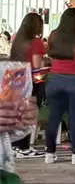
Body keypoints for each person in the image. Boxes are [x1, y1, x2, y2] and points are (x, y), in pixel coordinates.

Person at [45, 8, 75, 165]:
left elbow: (50, 54)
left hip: (54, 79)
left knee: (54, 116)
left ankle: (49, 153)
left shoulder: (54, 35)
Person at [10, 13, 47, 159]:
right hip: (31, 81)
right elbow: (37, 66)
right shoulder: (36, 42)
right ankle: (24, 147)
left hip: (15, 80)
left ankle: (14, 146)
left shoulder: (16, 39)